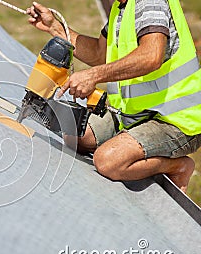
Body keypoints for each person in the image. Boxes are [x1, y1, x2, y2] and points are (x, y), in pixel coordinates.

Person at [26, 0, 201, 192]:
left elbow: (151, 55)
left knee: (108, 161)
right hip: (135, 114)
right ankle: (133, 146)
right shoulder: (122, 7)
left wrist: (94, 76)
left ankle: (178, 166)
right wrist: (55, 28)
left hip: (178, 120)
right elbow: (100, 54)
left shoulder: (151, 2)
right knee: (75, 136)